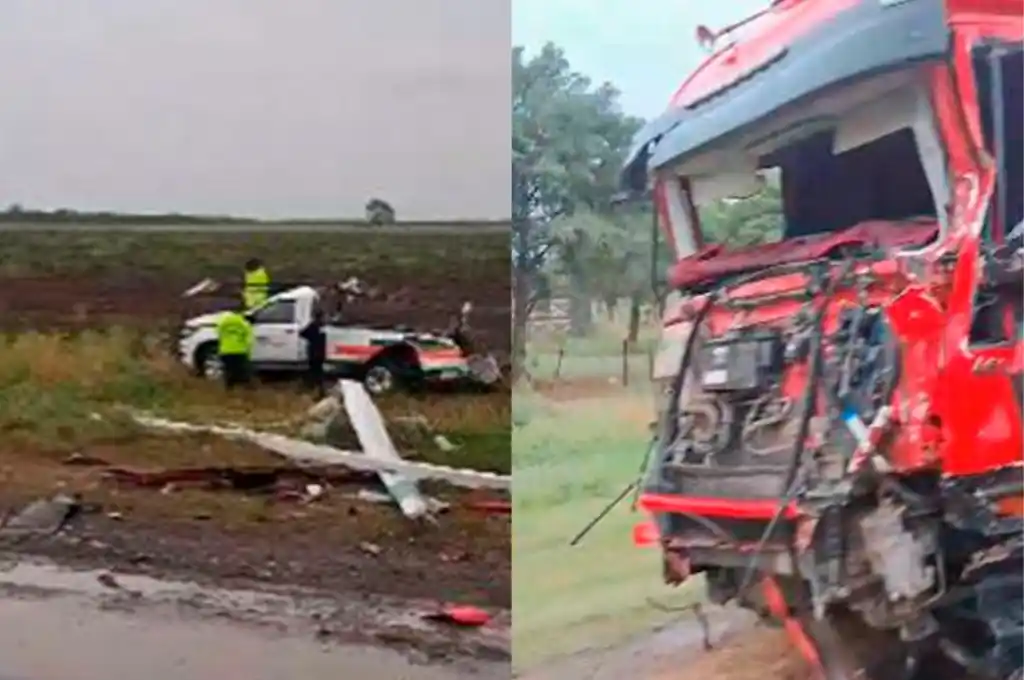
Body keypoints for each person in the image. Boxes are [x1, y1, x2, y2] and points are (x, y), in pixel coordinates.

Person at [216, 304, 254, 389]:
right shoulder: (244, 323)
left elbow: (219, 334)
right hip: (240, 351)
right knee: (243, 373)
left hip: (225, 350)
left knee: (228, 372)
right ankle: (246, 390)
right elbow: (249, 339)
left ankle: (229, 389)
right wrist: (248, 352)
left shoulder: (223, 322)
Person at [299, 306, 327, 398]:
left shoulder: (313, 325)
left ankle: (314, 389)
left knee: (313, 372)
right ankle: (321, 390)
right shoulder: (324, 326)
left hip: (313, 352)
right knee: (320, 372)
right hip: (322, 352)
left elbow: (302, 333)